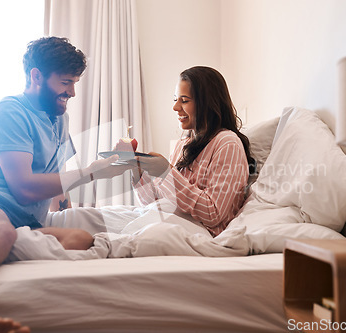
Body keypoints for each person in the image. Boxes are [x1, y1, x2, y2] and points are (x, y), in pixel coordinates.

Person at [0, 37, 128, 333]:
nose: (71, 92)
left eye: (74, 83)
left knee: (80, 239)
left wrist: (67, 202)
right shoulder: (9, 112)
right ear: (36, 76)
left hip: (24, 220)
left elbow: (55, 178)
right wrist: (91, 172)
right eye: (65, 82)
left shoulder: (59, 118)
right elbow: (23, 187)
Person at [99, 66, 253, 236]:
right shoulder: (182, 145)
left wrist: (166, 173)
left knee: (116, 236)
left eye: (185, 100)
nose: (176, 107)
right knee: (85, 218)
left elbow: (213, 214)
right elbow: (154, 204)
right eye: (175, 99)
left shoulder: (227, 143)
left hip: (200, 232)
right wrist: (138, 170)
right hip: (169, 219)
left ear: (208, 103)